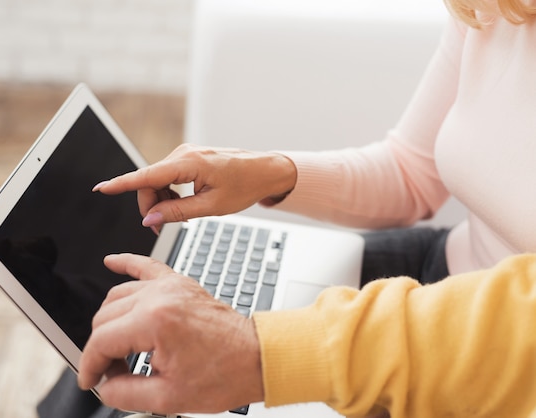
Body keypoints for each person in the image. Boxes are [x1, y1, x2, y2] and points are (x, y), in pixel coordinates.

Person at [40, 0, 536, 417]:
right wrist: (272, 173)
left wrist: (263, 352)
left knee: (155, 381)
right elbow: (410, 172)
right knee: (132, 321)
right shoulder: (493, 9)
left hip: (493, 362)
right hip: (436, 268)